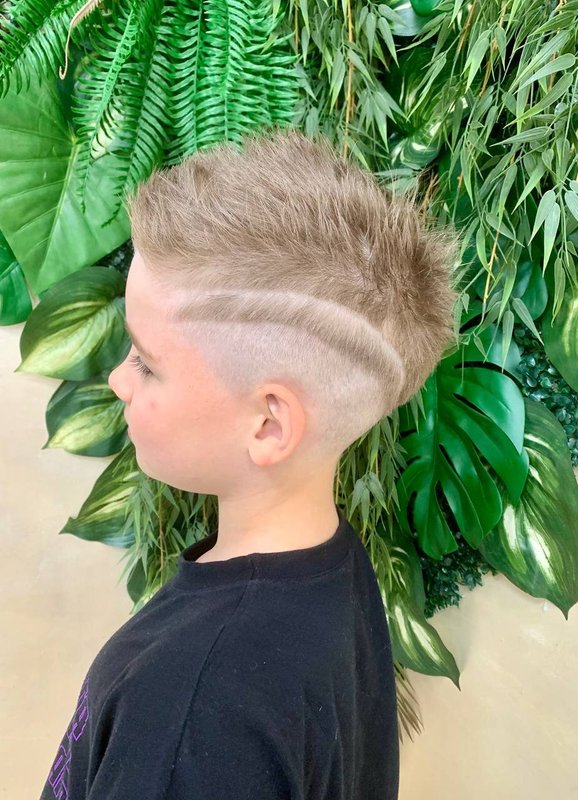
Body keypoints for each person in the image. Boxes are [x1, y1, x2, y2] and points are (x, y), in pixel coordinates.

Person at [39, 127, 459, 799]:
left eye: (147, 363)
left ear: (268, 424)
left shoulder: (190, 718)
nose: (118, 379)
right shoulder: (335, 570)